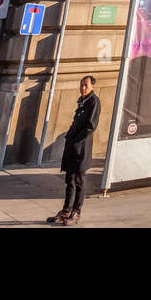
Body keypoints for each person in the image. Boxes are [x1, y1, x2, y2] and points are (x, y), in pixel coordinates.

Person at [49, 75, 101, 225]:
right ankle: (66, 210)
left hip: (81, 149)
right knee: (69, 180)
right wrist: (69, 136)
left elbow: (90, 126)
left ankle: (76, 212)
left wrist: (77, 141)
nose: (83, 88)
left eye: (86, 85)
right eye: (81, 85)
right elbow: (77, 121)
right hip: (72, 146)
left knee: (79, 181)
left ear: (92, 86)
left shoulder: (94, 102)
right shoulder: (82, 100)